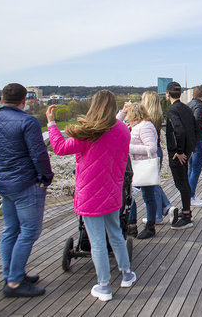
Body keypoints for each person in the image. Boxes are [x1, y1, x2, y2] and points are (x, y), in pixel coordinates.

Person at [46, 90, 135, 302]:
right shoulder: (123, 130)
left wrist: (51, 124)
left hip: (90, 194)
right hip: (113, 189)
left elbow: (59, 147)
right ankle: (127, 274)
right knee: (115, 234)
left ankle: (104, 286)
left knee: (96, 242)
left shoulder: (88, 132)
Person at [0, 83, 53, 298]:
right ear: (24, 100)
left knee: (10, 230)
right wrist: (45, 177)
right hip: (27, 182)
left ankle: (13, 274)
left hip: (6, 182)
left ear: (2, 99)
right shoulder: (27, 121)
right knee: (30, 231)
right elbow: (38, 153)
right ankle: (14, 282)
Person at [121, 103, 159, 240]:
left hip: (143, 165)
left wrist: (129, 148)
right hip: (138, 165)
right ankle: (133, 225)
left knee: (147, 196)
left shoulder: (145, 127)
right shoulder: (141, 126)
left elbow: (152, 148)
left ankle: (149, 226)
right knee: (131, 195)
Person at [140, 91, 175, 225]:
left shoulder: (145, 121)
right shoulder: (157, 117)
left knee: (151, 184)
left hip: (149, 154)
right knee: (153, 183)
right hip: (158, 150)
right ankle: (166, 207)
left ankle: (157, 215)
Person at [165, 81, 196, 229]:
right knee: (185, 183)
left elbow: (179, 131)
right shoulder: (187, 109)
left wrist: (179, 151)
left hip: (178, 155)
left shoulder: (172, 110)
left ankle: (186, 216)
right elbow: (194, 130)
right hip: (187, 152)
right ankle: (187, 212)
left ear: (168, 94)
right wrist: (190, 151)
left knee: (181, 184)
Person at [187, 86, 202, 207]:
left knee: (191, 169)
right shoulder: (199, 106)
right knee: (196, 168)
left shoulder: (188, 104)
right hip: (198, 140)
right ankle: (191, 196)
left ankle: (190, 195)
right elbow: (196, 120)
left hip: (190, 141)